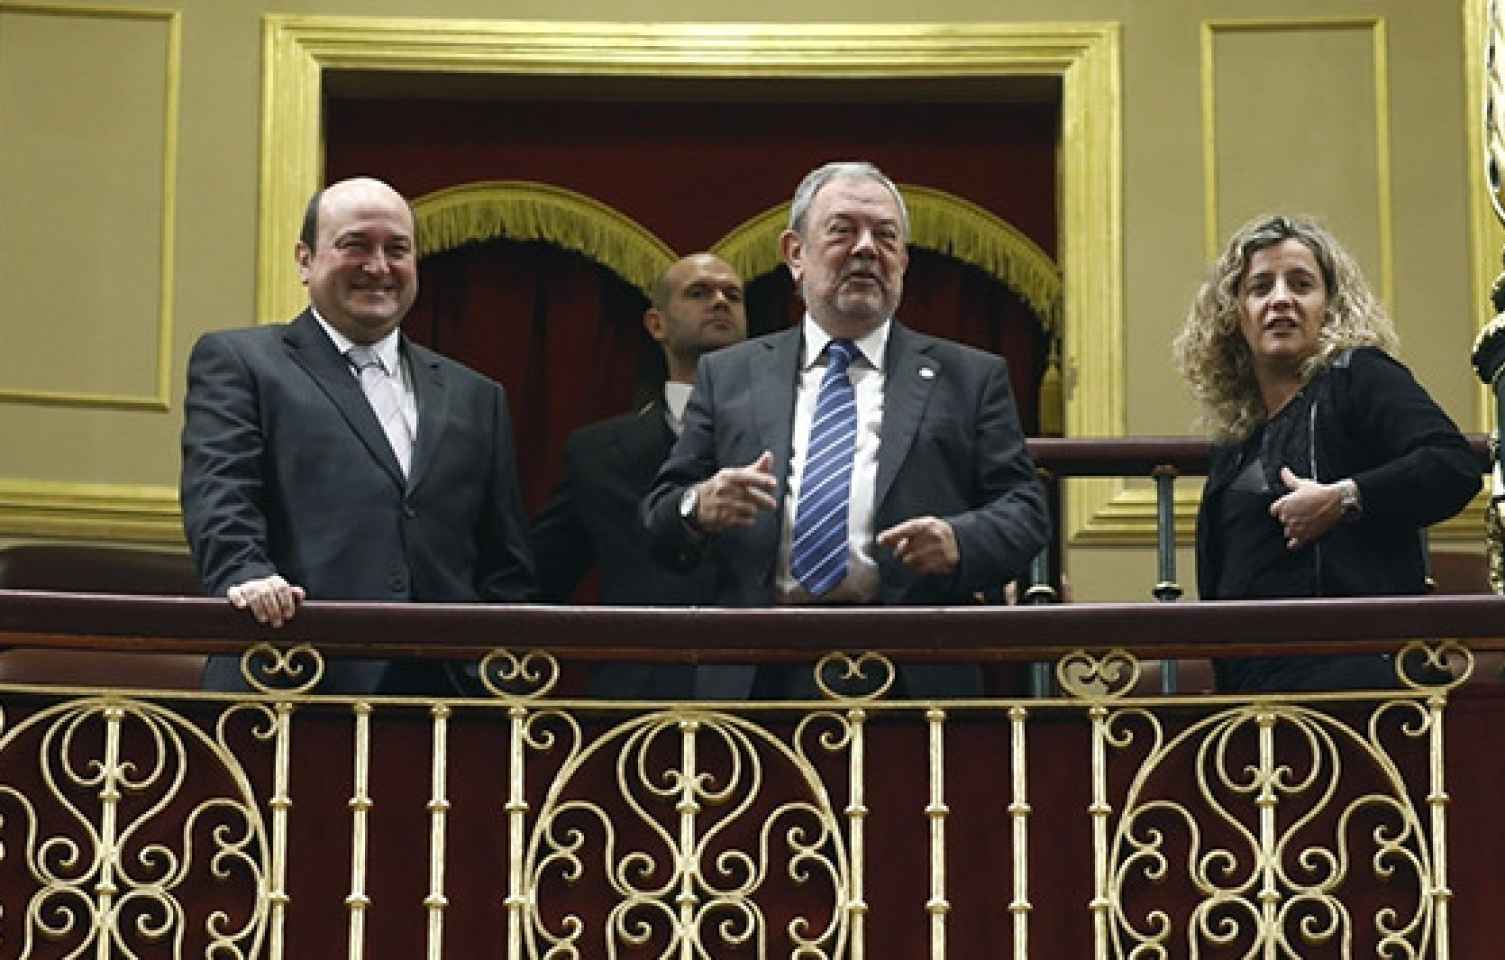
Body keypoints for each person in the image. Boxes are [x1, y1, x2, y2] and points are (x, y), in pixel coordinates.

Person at [640, 161, 1049, 699]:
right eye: (842, 230)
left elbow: (1025, 510)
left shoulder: (969, 376)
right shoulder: (731, 373)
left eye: (885, 236)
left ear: (902, 259)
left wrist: (959, 542)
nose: (865, 249)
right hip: (758, 672)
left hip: (914, 671)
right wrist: (700, 507)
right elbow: (661, 516)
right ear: (794, 254)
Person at [180, 176, 534, 694]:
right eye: (355, 246)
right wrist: (245, 576)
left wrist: (498, 675)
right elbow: (220, 490)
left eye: (397, 249)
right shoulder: (242, 362)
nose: (378, 266)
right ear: (305, 260)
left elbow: (506, 560)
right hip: (289, 673)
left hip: (446, 696)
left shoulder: (477, 395)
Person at [1174, 214, 1481, 693]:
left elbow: (1451, 465)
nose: (1281, 299)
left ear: (1330, 306)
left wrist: (1345, 498)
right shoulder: (1237, 442)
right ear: (1235, 315)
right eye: (1260, 287)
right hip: (1253, 700)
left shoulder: (1359, 375)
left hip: (1356, 685)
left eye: (1301, 284)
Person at [529, 253, 748, 698]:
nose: (720, 302)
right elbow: (540, 578)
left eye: (733, 295)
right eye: (699, 293)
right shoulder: (596, 454)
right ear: (656, 324)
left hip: (766, 691)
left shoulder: (796, 436)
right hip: (637, 698)